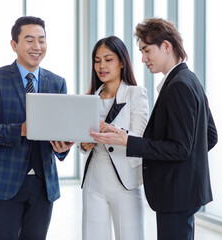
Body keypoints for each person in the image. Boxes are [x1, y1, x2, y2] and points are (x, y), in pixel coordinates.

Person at [90, 18, 218, 240]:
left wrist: (127, 141)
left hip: (176, 194)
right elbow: (210, 136)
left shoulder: (178, 86)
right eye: (141, 51)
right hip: (183, 192)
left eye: (147, 50)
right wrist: (187, 167)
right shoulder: (189, 79)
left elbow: (180, 148)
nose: (143, 58)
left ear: (166, 46)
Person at [0, 16, 74, 240]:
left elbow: (61, 129)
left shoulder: (57, 83)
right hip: (4, 182)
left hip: (43, 185)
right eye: (29, 40)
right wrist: (21, 130)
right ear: (14, 45)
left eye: (41, 40)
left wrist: (62, 147)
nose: (37, 47)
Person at [80, 36, 149, 240]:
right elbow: (83, 144)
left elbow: (139, 139)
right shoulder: (88, 98)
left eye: (108, 59)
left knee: (130, 236)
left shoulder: (136, 94)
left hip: (125, 181)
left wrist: (109, 130)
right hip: (94, 180)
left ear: (121, 62)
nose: (102, 66)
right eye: (97, 60)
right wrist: (84, 145)